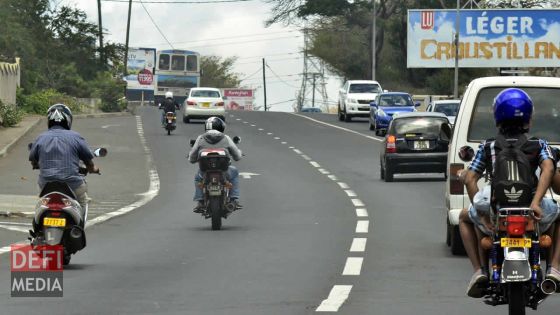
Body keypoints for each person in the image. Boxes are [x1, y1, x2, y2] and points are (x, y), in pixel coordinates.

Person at [459, 88, 560, 298]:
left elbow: (470, 178)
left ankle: (479, 271)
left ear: (497, 118)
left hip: (497, 215)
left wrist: (484, 213)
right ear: (528, 119)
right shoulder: (538, 144)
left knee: (463, 218)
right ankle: (554, 269)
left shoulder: (488, 146)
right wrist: (535, 202)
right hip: (533, 213)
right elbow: (549, 168)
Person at [29, 104, 99, 219]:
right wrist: (93, 169)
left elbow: (33, 160)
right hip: (72, 184)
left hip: (45, 184)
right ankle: (78, 229)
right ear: (68, 120)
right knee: (82, 202)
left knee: (40, 204)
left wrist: (36, 164)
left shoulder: (40, 137)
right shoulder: (76, 137)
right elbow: (89, 162)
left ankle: (37, 230)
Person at [187, 117, 242, 213]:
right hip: (224, 172)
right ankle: (233, 200)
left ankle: (200, 201)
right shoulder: (226, 138)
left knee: (197, 177)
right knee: (235, 172)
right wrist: (239, 154)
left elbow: (192, 156)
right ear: (221, 127)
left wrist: (192, 159)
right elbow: (237, 156)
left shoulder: (200, 138)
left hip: (204, 172)